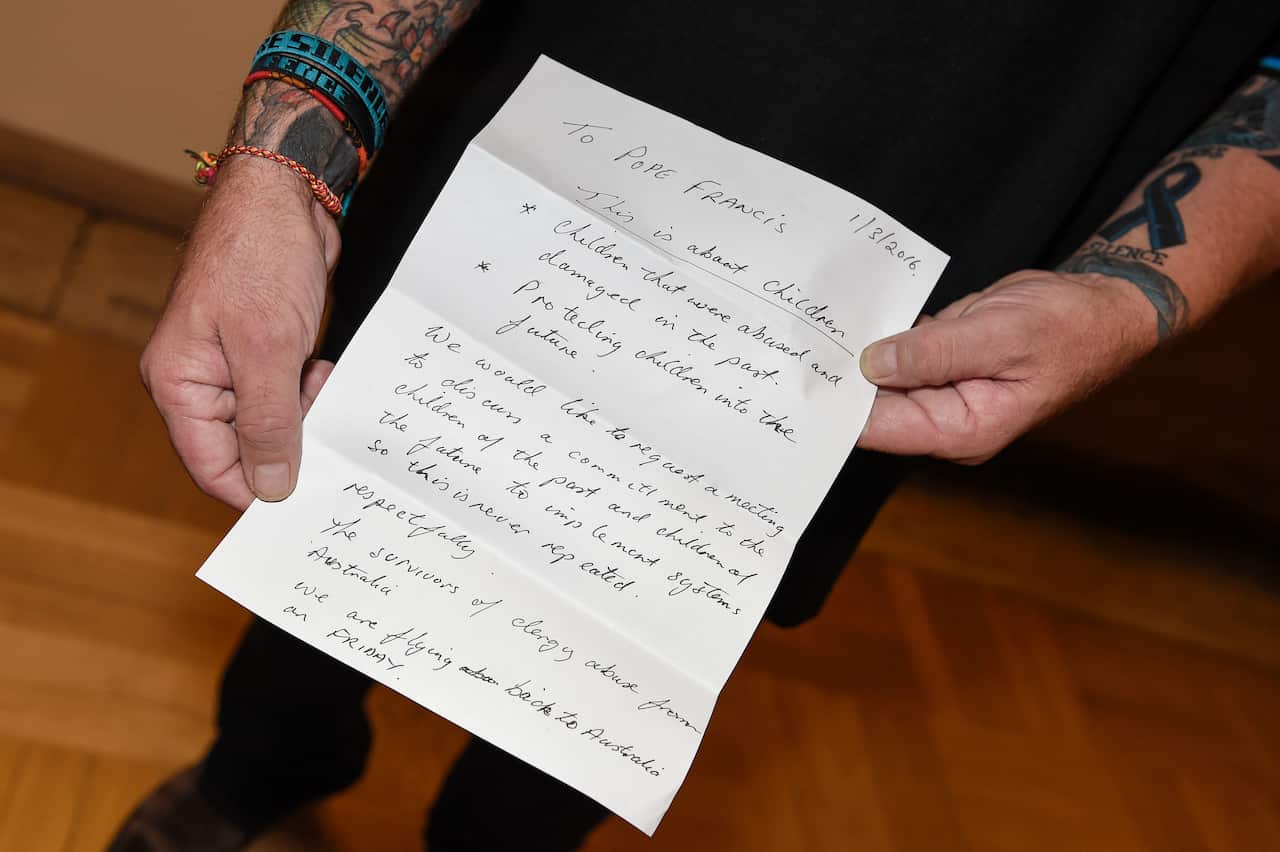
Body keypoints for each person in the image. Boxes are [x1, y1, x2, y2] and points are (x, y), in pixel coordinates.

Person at [115, 1, 1280, 850]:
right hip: (538, 135)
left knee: (632, 637)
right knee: (345, 495)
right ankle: (257, 771)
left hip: (896, 274)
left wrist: (1133, 297)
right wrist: (283, 152)